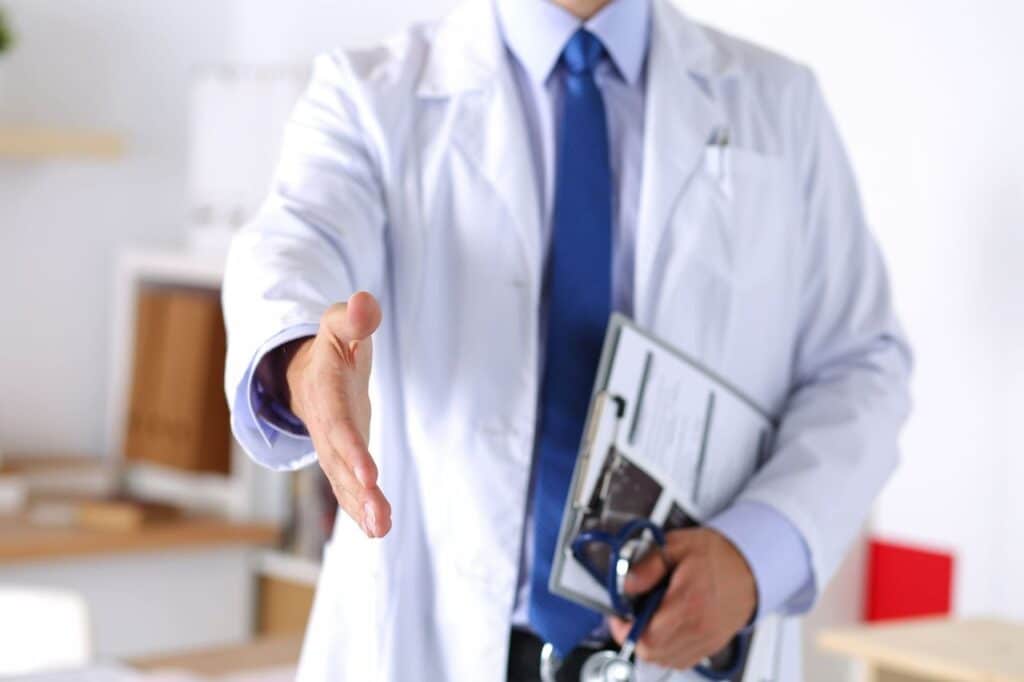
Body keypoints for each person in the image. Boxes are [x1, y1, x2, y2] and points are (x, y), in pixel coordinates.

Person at [222, 0, 912, 679]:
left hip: (683, 644)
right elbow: (294, 244)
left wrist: (757, 552)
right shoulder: (368, 92)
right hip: (432, 644)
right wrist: (301, 356)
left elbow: (862, 364)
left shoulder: (779, 103)